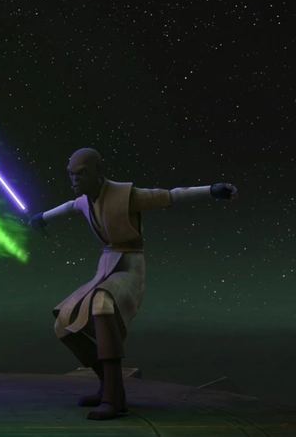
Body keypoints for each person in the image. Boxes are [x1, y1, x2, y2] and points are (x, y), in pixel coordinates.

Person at [29, 147, 237, 421]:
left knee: (101, 303)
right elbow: (68, 207)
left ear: (97, 172)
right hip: (106, 267)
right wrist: (41, 218)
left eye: (81, 174)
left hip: (130, 266)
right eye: (71, 174)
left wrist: (210, 190)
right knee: (63, 325)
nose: (75, 180)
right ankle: (108, 386)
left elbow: (170, 196)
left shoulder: (126, 195)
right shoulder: (84, 202)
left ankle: (114, 399)